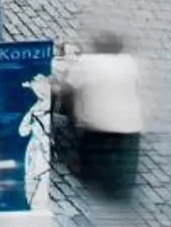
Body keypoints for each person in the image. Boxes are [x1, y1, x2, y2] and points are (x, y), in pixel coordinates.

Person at [61, 33, 144, 201]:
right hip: (130, 124)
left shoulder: (86, 62)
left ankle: (87, 170)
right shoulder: (129, 63)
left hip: (98, 125)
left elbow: (67, 89)